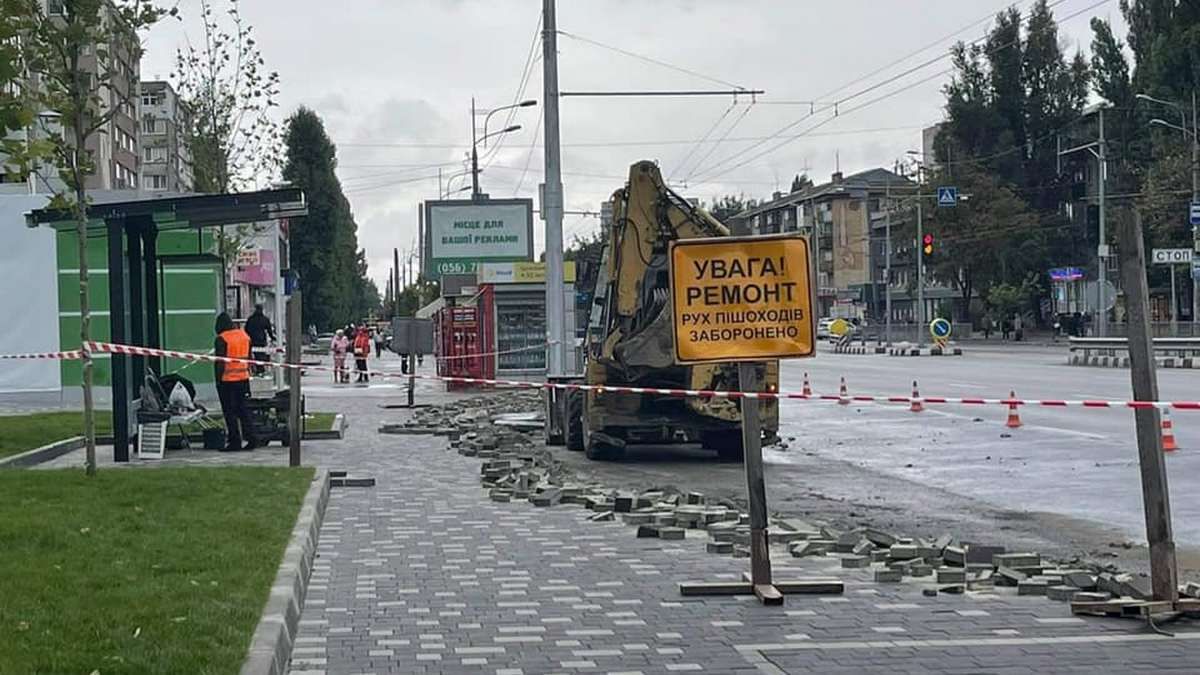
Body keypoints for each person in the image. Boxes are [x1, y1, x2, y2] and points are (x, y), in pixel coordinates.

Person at [214, 312, 257, 451]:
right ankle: (251, 438)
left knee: (230, 412)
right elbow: (249, 357)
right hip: (243, 378)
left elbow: (220, 363)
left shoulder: (222, 339)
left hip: (227, 381)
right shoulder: (245, 336)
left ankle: (235, 441)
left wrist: (218, 380)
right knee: (244, 411)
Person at [244, 304, 276, 376]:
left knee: (254, 355)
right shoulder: (265, 319)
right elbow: (269, 330)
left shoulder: (250, 319)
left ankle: (256, 369)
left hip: (252, 340)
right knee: (261, 355)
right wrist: (273, 338)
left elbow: (246, 330)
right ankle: (260, 369)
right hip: (261, 340)